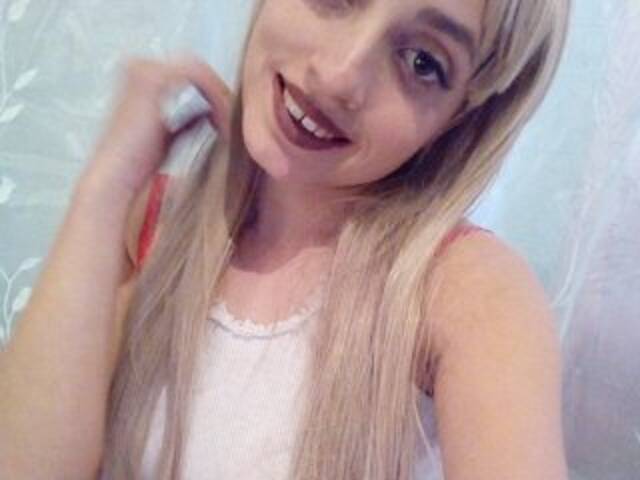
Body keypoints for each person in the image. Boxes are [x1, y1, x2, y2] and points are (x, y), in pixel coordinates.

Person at [0, 0, 571, 479]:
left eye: (423, 61)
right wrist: (103, 192)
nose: (340, 75)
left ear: (457, 118)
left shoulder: (467, 290)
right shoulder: (156, 224)